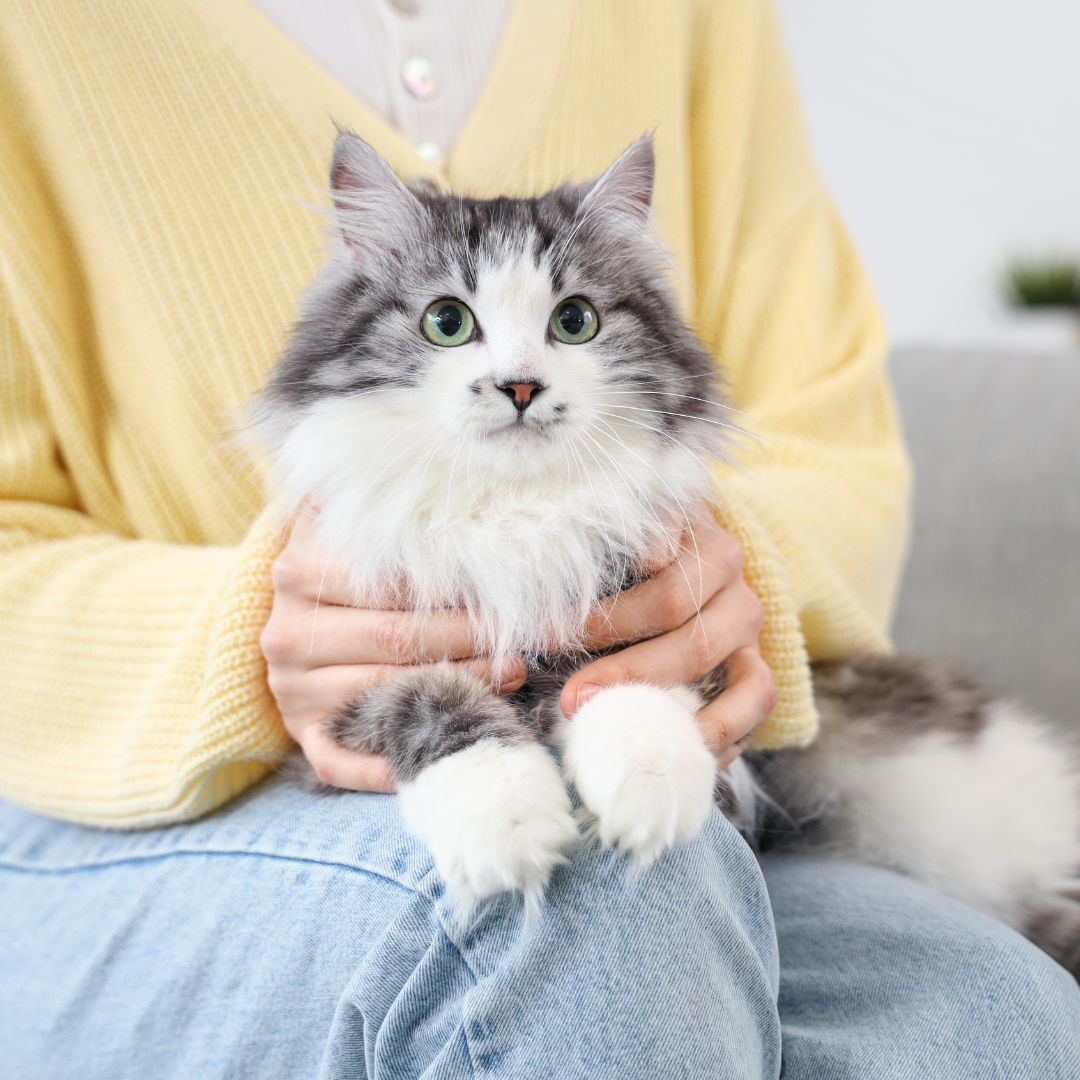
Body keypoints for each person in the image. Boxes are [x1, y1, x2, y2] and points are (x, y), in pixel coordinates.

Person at [0, 1, 1076, 1076]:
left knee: (988, 1009)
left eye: (569, 324)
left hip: (689, 760)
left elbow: (835, 445)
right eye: (451, 323)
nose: (517, 375)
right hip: (101, 798)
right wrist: (241, 641)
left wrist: (693, 589)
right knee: (597, 895)